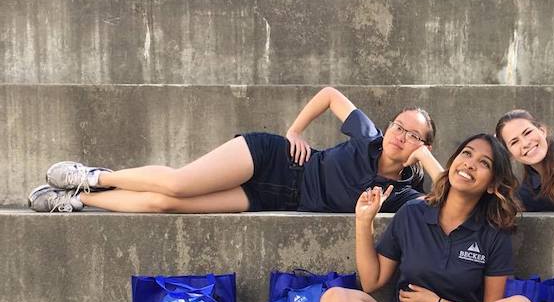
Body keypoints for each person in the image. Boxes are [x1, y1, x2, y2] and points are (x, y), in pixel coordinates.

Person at [320, 134, 534, 302]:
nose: (470, 163)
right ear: (453, 161)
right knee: (334, 301)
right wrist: (363, 221)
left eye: (484, 163)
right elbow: (371, 281)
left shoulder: (494, 232)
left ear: (491, 184)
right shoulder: (412, 213)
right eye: (466, 153)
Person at [27, 87, 443, 214]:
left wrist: (424, 161)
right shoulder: (368, 135)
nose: (400, 136)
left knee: (166, 205)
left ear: (423, 147)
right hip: (275, 158)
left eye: (412, 135)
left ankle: (77, 199)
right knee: (179, 183)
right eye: (398, 126)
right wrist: (295, 130)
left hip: (278, 198)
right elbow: (331, 95)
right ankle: (95, 176)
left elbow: (449, 198)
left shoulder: (405, 194)